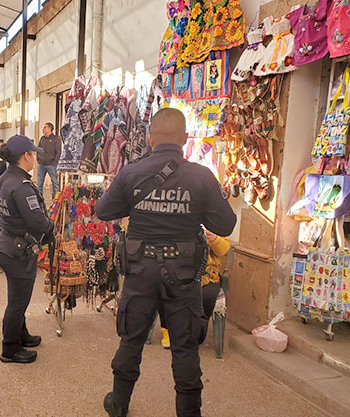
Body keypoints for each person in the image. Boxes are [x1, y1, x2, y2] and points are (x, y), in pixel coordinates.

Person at [95, 108, 236, 417]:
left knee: (131, 339)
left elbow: (103, 211)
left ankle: (119, 404)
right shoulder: (201, 176)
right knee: (185, 348)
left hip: (140, 272)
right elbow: (226, 224)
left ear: (150, 139)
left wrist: (138, 202)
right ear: (185, 139)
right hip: (183, 274)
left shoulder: (131, 172)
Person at [0, 135, 54, 364]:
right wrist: (51, 226)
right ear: (25, 156)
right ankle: (10, 349)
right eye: (33, 154)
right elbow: (38, 221)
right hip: (17, 251)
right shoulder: (22, 187)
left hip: (7, 244)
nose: (35, 158)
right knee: (17, 302)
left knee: (18, 298)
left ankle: (22, 334)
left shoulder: (5, 178)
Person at [147, 228, 231, 349]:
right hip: (178, 272)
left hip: (207, 276)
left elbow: (222, 250)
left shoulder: (214, 224)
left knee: (207, 295)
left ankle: (195, 332)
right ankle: (168, 330)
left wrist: (214, 238)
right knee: (165, 290)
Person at [36, 122, 61, 197]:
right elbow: (38, 149)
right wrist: (38, 159)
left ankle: (55, 199)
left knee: (55, 183)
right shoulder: (42, 138)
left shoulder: (56, 139)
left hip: (51, 164)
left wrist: (54, 162)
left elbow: (58, 152)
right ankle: (40, 198)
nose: (43, 129)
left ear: (50, 129)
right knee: (39, 183)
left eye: (45, 127)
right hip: (42, 164)